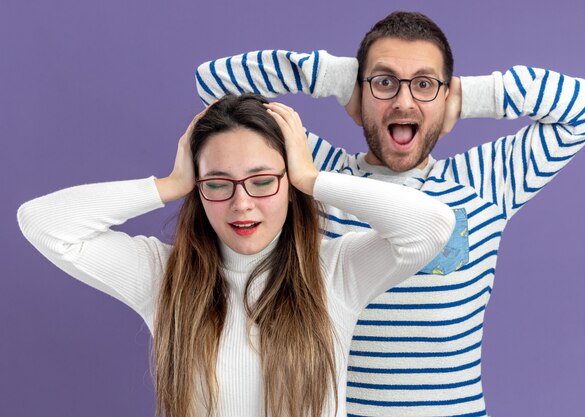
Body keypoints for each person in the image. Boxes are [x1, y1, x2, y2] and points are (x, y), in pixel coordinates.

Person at [194, 11, 585, 417]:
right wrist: (338, 79)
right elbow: (214, 88)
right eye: (384, 82)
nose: (403, 101)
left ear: (445, 97)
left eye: (425, 85)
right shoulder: (314, 173)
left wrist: (469, 96)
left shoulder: (487, 181)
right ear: (360, 96)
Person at [17, 94, 455, 417]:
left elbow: (431, 227)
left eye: (262, 180)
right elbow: (44, 223)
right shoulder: (161, 274)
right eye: (218, 183)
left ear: (289, 184)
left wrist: (311, 176)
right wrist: (168, 185)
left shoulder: (336, 271)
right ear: (198, 188)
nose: (241, 204)